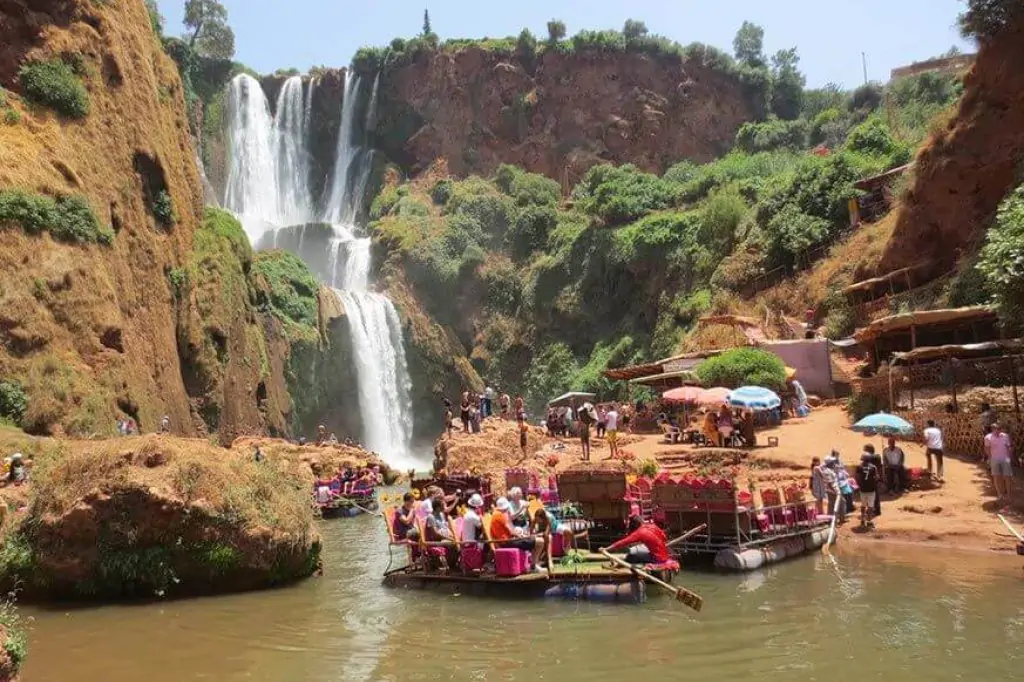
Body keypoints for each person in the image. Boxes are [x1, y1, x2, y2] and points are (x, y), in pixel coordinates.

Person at [490, 497, 544, 569]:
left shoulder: (495, 514)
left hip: (506, 542)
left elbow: (510, 530)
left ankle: (533, 563)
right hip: (508, 542)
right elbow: (511, 532)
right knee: (540, 541)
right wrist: (521, 536)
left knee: (534, 539)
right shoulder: (500, 515)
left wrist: (522, 535)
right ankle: (535, 565)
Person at [605, 515, 670, 564]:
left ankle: (623, 566)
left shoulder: (639, 532)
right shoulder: (653, 525)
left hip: (656, 558)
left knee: (632, 555)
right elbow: (664, 537)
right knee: (641, 550)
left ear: (636, 524)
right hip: (665, 555)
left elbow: (622, 542)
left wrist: (606, 549)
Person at [985, 422, 1014, 505]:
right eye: (996, 429)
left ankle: (1009, 495)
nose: (998, 430)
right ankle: (1000, 494)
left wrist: (1009, 457)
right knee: (996, 477)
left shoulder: (1005, 436)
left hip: (1005, 459)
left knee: (1007, 477)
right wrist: (990, 458)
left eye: (999, 429)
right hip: (995, 459)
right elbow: (987, 448)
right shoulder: (988, 437)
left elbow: (1008, 447)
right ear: (992, 429)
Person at [856, 451, 880, 529]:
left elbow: (857, 477)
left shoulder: (859, 467)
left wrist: (859, 485)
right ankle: (869, 520)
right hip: (871, 489)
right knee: (870, 506)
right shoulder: (873, 467)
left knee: (863, 505)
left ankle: (862, 519)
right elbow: (877, 477)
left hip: (863, 489)